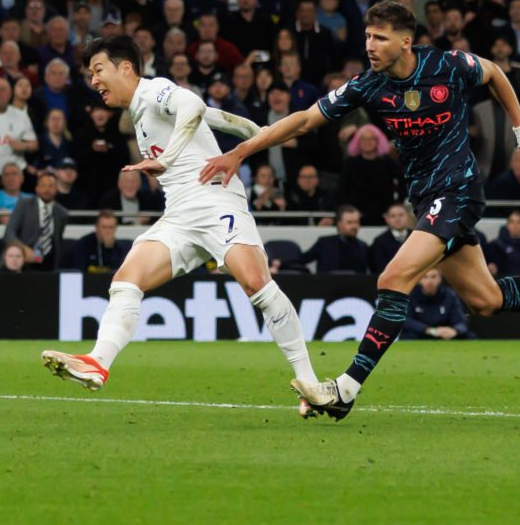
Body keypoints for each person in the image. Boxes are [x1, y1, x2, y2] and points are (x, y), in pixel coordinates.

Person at [200, 0, 520, 420]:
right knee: (485, 299)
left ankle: (345, 388)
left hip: (458, 190)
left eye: (379, 37)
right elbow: (306, 120)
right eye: (367, 36)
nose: (370, 45)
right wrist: (242, 150)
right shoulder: (367, 84)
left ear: (405, 41)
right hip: (426, 198)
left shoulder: (447, 65)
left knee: (393, 277)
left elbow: (494, 72)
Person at [42, 34, 317, 398]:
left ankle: (311, 382)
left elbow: (191, 103)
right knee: (127, 279)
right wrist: (256, 133)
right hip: (180, 214)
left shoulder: (154, 89)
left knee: (256, 283)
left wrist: (167, 158)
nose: (93, 81)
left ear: (125, 68)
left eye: (98, 70)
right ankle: (98, 362)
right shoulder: (140, 111)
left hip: (215, 201)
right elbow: (210, 114)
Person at [2, 170, 69, 271]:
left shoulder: (62, 213)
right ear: (37, 188)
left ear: (57, 189)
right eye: (43, 185)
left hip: (49, 263)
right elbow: (9, 233)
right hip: (24, 260)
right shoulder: (24, 204)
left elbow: (58, 240)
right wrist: (23, 249)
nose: (47, 189)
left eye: (51, 186)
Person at [403, 269, 473, 340]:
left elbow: (461, 322)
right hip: (418, 336)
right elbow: (405, 321)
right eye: (425, 277)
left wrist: (454, 331)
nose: (429, 281)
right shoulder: (410, 295)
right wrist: (428, 330)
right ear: (419, 279)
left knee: (469, 336)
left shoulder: (449, 296)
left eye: (433, 277)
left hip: (444, 337)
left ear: (440, 278)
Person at [62, 209, 133, 275]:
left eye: (111, 227)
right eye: (104, 227)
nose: (108, 231)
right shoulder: (84, 244)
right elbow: (78, 271)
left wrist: (109, 249)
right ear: (96, 228)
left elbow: (119, 272)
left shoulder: (120, 248)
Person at [308, 206, 370, 273]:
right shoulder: (324, 243)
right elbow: (302, 261)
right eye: (349, 222)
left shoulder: (363, 246)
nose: (354, 226)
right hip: (328, 282)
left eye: (356, 222)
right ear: (339, 224)